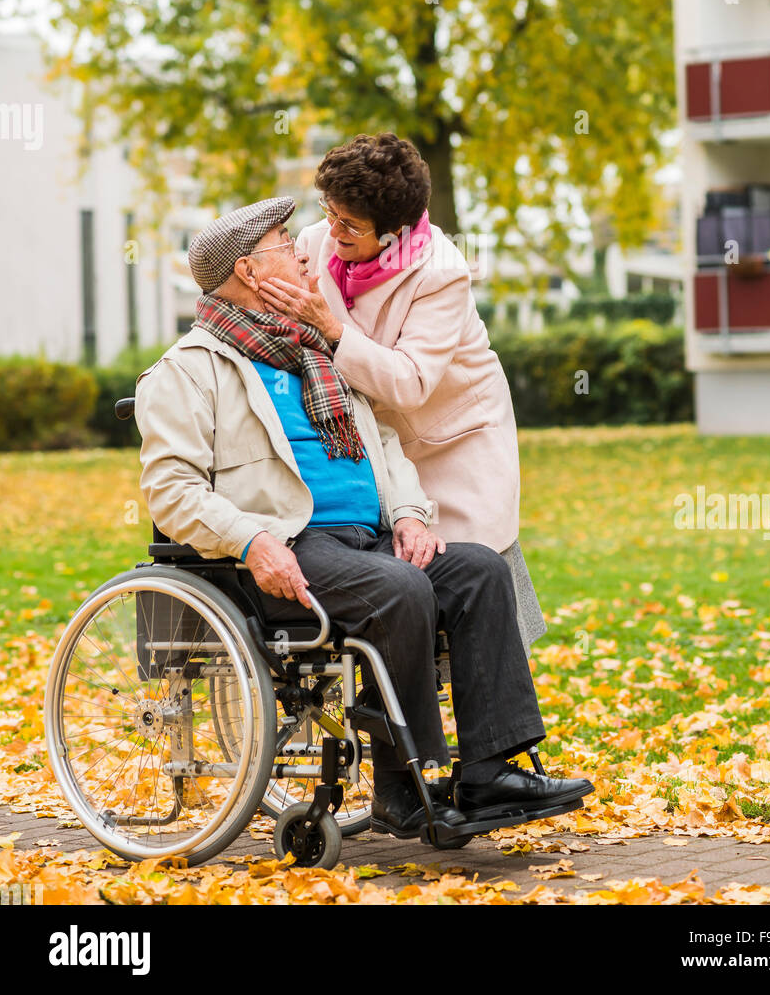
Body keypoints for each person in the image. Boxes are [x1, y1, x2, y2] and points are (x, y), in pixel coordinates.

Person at [134, 196, 593, 840]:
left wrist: (408, 514)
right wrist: (253, 539)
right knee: (402, 589)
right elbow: (172, 491)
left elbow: (386, 448)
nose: (303, 251)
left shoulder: (317, 354)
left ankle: (490, 771)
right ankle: (403, 786)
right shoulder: (188, 372)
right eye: (284, 244)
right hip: (289, 547)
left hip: (369, 539)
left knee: (478, 570)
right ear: (247, 271)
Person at [257, 132, 546, 654]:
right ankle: (402, 714)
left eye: (350, 225)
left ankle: (495, 702)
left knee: (474, 568)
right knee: (397, 577)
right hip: (373, 438)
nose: (332, 229)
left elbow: (410, 382)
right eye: (329, 211)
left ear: (395, 231)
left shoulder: (440, 273)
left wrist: (332, 326)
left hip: (449, 439)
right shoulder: (319, 240)